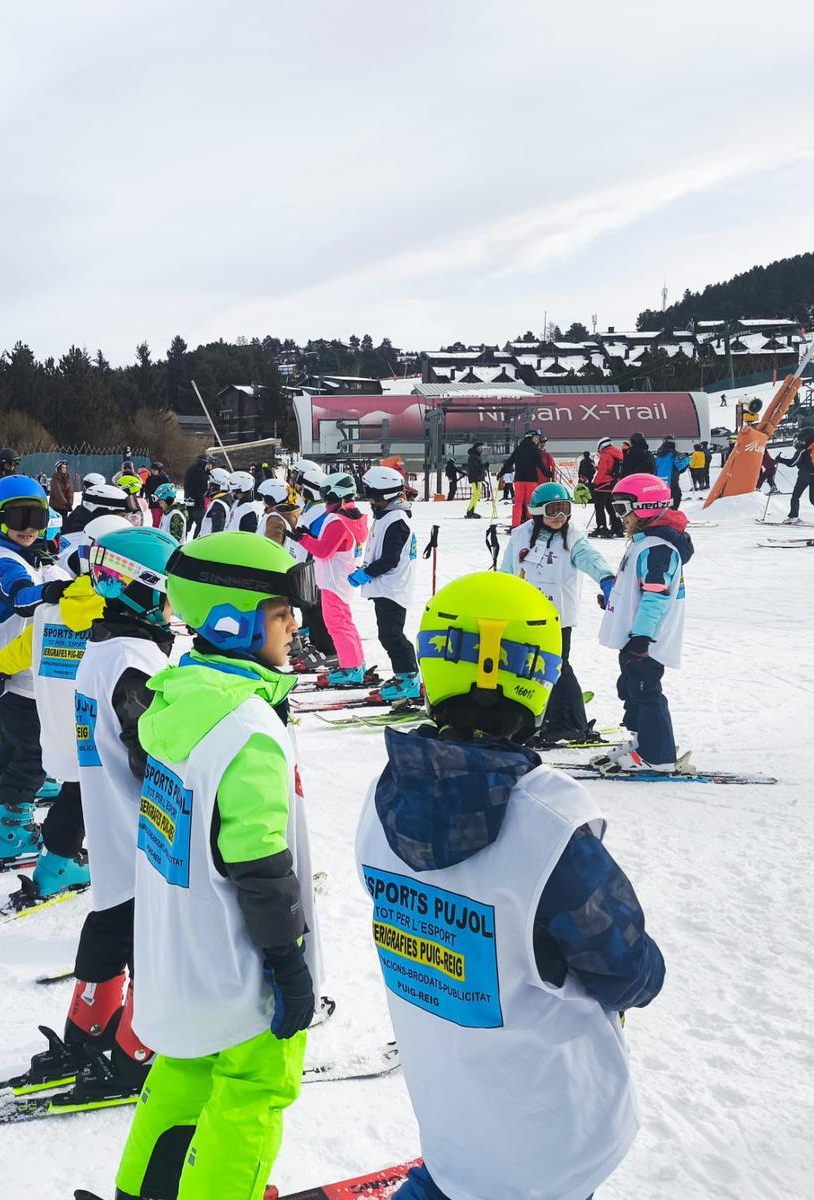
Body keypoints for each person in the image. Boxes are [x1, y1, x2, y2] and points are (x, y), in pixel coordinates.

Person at [355, 571, 664, 1200]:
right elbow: (627, 968)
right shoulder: (548, 823)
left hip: (449, 1106)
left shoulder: (386, 800)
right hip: (551, 1133)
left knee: (458, 1177)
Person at [117, 532, 321, 1200]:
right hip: (242, 966)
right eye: (281, 613)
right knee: (254, 1090)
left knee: (183, 1074)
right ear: (232, 622)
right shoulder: (248, 728)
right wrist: (289, 965)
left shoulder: (176, 699)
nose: (294, 627)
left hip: (182, 956)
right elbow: (260, 864)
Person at [29, 526, 179, 1098]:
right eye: (168, 591)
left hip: (112, 824)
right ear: (140, 589)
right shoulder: (136, 662)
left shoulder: (103, 647)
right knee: (150, 938)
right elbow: (157, 753)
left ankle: (88, 1026)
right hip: (144, 831)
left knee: (110, 922)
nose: (175, 606)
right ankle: (136, 1052)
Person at [0, 476, 70, 859]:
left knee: (9, 749)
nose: (29, 527)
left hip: (5, 676)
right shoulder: (4, 563)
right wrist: (46, 592)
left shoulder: (21, 555)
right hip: (12, 681)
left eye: (37, 517)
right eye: (18, 517)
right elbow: (21, 595)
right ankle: (13, 829)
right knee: (34, 754)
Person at [500, 481, 614, 747]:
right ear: (538, 512)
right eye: (554, 511)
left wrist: (606, 578)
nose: (560, 517)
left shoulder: (573, 536)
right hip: (524, 614)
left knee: (556, 667)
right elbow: (506, 571)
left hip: (557, 617)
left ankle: (571, 724)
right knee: (524, 668)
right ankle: (529, 721)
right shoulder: (520, 536)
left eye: (565, 509)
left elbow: (590, 558)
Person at [597, 472, 693, 773]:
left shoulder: (658, 548)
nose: (620, 517)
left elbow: (656, 597)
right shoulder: (644, 542)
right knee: (630, 688)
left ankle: (658, 755)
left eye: (623, 508)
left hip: (646, 639)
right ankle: (644, 741)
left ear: (647, 506)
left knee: (646, 691)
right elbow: (637, 587)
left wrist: (641, 637)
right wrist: (617, 601)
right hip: (635, 634)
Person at [347, 466, 419, 702]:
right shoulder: (387, 516)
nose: (370, 500)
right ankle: (402, 675)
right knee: (387, 634)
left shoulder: (396, 520)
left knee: (392, 635)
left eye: (373, 495)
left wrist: (366, 573)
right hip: (385, 586)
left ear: (385, 494)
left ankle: (409, 679)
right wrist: (366, 570)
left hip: (393, 587)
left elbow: (390, 559)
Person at [291, 472, 368, 685]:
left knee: (337, 625)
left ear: (335, 494)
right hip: (343, 576)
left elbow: (324, 550)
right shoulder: (355, 517)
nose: (325, 500)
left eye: (326, 495)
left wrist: (302, 538)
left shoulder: (337, 519)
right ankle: (356, 663)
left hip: (333, 579)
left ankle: (350, 668)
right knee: (345, 623)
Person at [498, 429, 545, 528]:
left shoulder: (519, 448)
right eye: (536, 438)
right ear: (532, 437)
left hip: (519, 480)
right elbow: (539, 464)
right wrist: (547, 473)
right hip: (531, 480)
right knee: (530, 503)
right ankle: (531, 524)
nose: (538, 440)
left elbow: (509, 462)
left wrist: (501, 472)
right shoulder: (534, 449)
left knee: (518, 503)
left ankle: (516, 524)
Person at [775, 437, 814, 525]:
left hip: (805, 476)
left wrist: (780, 459)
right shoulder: (812, 450)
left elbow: (792, 463)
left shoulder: (802, 451)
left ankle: (793, 517)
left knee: (795, 496)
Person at [590, 436, 624, 537]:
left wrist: (594, 484)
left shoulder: (605, 455)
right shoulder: (617, 454)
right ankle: (617, 527)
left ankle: (602, 527)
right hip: (612, 484)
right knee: (611, 507)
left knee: (599, 507)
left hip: (602, 485)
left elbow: (602, 472)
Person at [654, 437, 690, 509]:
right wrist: (687, 461)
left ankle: (661, 514)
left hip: (659, 481)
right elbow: (680, 466)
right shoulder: (674, 454)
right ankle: (672, 514)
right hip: (672, 481)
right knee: (676, 497)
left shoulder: (657, 454)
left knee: (661, 499)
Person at [183, 453, 211, 536]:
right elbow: (203, 488)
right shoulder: (201, 473)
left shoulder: (190, 469)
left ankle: (182, 537)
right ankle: (196, 540)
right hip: (198, 502)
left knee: (188, 522)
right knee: (201, 523)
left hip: (188, 499)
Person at [202, 467, 233, 534]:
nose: (209, 486)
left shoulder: (218, 504)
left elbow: (217, 530)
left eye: (210, 484)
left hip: (209, 542)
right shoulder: (225, 499)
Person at [464, 442, 486, 519]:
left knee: (477, 495)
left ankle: (471, 510)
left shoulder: (477, 456)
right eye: (480, 448)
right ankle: (470, 511)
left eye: (482, 448)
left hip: (478, 478)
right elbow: (475, 468)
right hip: (475, 478)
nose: (481, 449)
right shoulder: (473, 457)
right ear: (476, 448)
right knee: (476, 495)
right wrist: (484, 467)